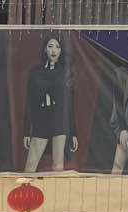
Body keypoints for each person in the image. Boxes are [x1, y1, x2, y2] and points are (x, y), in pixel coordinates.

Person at [23, 37, 76, 173]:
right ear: (45, 49)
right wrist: (26, 131)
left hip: (59, 119)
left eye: (57, 47)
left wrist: (73, 133)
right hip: (41, 118)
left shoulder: (65, 72)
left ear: (61, 51)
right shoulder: (35, 73)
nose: (54, 50)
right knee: (30, 166)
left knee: (58, 166)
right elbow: (30, 103)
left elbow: (69, 105)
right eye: (50, 46)